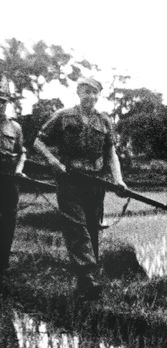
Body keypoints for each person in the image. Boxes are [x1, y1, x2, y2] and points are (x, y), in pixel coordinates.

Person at [34, 77, 125, 301]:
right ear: (78, 93)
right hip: (70, 179)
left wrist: (118, 180)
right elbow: (38, 142)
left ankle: (85, 282)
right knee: (77, 227)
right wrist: (53, 161)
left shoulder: (104, 120)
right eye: (86, 92)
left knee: (92, 229)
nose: (90, 97)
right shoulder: (63, 116)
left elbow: (110, 153)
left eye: (94, 93)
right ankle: (89, 277)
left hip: (96, 181)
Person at [0, 90, 26, 290]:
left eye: (2, 102)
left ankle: (4, 263)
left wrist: (18, 170)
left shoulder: (14, 127)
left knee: (9, 220)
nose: (0, 105)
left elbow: (21, 153)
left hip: (9, 178)